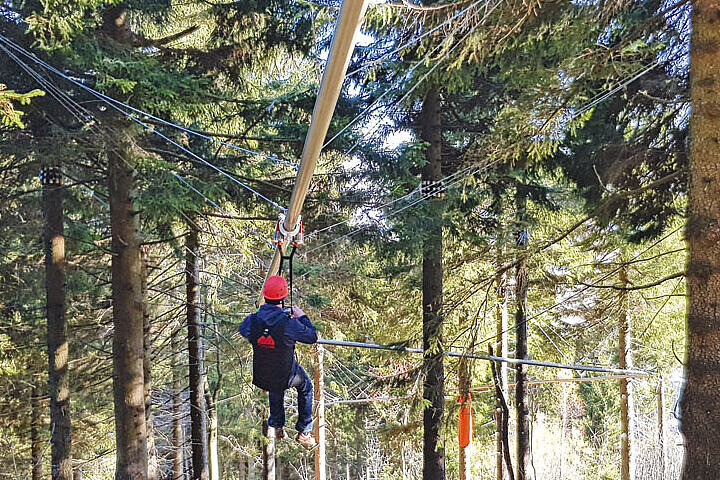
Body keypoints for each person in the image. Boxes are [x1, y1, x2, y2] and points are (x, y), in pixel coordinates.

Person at [238, 275, 318, 448]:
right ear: (283, 297)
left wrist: (260, 315)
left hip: (262, 374)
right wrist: (302, 317)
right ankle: (304, 431)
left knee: (275, 382)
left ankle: (277, 424)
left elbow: (243, 329)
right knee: (306, 387)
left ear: (265, 296)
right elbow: (312, 336)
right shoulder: (288, 323)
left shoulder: (252, 321)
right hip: (285, 374)